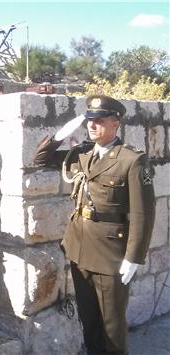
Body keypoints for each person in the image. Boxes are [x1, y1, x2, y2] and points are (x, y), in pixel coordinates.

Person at [34, 95, 156, 354]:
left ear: (116, 124)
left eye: (99, 120)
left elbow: (143, 213)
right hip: (79, 249)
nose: (92, 125)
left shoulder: (131, 160)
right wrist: (61, 134)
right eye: (89, 120)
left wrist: (133, 257)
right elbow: (41, 159)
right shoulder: (82, 154)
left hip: (111, 255)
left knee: (111, 328)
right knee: (88, 321)